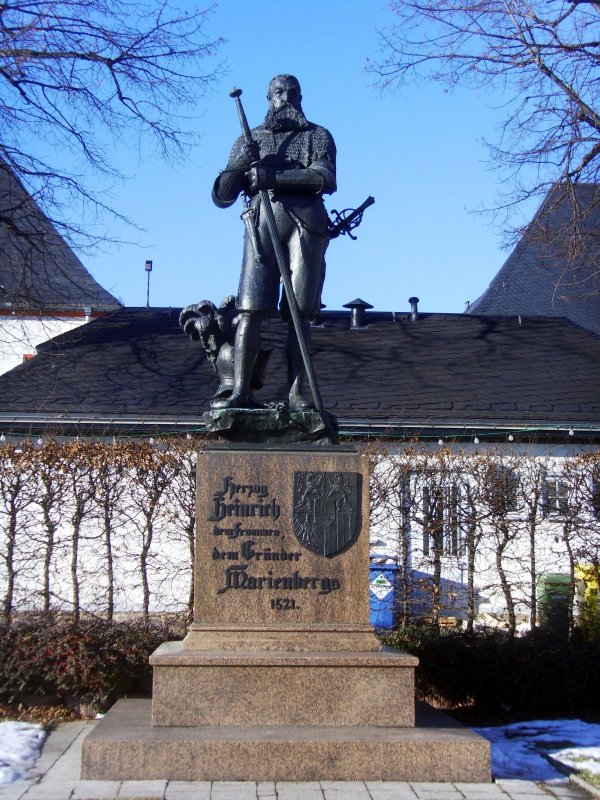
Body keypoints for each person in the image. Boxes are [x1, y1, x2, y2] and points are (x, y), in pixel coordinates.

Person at [211, 74, 336, 410]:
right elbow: (222, 195)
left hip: (306, 224)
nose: (286, 98)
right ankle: (240, 391)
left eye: (293, 92)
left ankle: (296, 393)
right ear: (268, 97)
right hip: (262, 224)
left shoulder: (317, 136)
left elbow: (324, 178)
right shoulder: (250, 140)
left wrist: (272, 177)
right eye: (279, 92)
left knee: (300, 313)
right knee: (250, 309)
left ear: (301, 96)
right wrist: (240, 164)